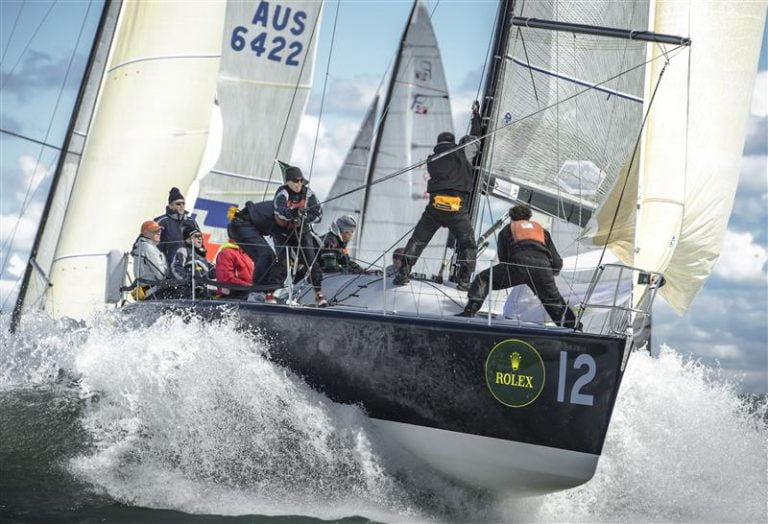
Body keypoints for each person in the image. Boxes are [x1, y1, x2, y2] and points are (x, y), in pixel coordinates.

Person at [461, 204, 579, 329]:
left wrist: (514, 276)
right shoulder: (543, 232)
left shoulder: (507, 230)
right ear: (529, 217)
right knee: (554, 302)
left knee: (484, 278)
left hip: (518, 265)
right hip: (543, 269)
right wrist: (548, 276)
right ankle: (574, 328)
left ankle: (469, 312)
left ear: (512, 218)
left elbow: (504, 260)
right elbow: (557, 263)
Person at [393, 130, 478, 290]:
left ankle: (402, 274)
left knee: (417, 241)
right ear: (453, 143)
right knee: (469, 245)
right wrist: (474, 126)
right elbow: (474, 143)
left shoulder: (432, 159)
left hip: (435, 207)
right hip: (457, 208)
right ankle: (465, 282)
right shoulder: (462, 153)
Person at [268, 164, 327, 307]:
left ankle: (319, 295)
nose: (299, 184)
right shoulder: (282, 192)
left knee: (311, 262)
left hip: (302, 231)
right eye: (295, 181)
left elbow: (318, 214)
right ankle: (270, 293)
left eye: (301, 181)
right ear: (288, 182)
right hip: (282, 232)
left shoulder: (308, 193)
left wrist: (304, 217)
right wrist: (294, 213)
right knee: (283, 262)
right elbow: (279, 210)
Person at [229, 200, 276, 287]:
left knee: (270, 257)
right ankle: (258, 290)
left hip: (247, 225)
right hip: (242, 224)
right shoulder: (283, 209)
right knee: (265, 255)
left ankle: (266, 288)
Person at [155, 187, 200, 264]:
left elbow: (200, 244)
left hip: (188, 266)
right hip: (167, 266)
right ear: (170, 206)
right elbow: (146, 242)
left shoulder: (191, 222)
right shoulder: (161, 222)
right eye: (178, 204)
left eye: (183, 203)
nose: (182, 206)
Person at [171, 225, 215, 298]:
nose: (200, 238)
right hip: (187, 290)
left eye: (200, 236)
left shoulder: (202, 257)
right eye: (196, 236)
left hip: (202, 290)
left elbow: (213, 271)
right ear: (187, 240)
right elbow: (176, 267)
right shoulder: (183, 250)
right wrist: (188, 281)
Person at [131, 220, 168, 299]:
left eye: (159, 230)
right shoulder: (148, 248)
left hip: (147, 291)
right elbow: (161, 275)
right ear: (145, 233)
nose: (159, 232)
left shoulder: (142, 246)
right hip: (153, 293)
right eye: (155, 231)